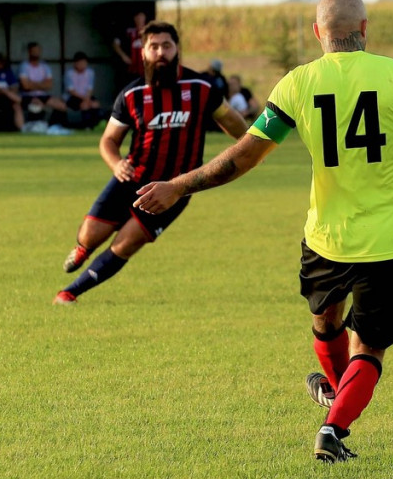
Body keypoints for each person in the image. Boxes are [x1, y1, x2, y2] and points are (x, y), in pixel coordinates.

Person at [133, 0, 393, 464]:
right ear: (365, 29)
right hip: (391, 240)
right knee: (369, 346)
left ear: (317, 33)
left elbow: (241, 157)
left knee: (326, 324)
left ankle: (336, 394)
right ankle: (334, 427)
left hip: (326, 236)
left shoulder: (297, 83)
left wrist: (179, 185)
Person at [53, 21, 248, 305]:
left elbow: (239, 127)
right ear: (143, 53)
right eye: (153, 47)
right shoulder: (131, 96)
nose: (160, 52)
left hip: (174, 189)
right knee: (90, 234)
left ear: (177, 50)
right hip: (131, 179)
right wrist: (116, 163)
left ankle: (70, 292)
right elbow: (108, 141)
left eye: (166, 46)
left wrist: (251, 149)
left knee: (127, 242)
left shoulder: (201, 88)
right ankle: (83, 248)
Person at [18, 42, 67, 126]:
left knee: (62, 106)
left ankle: (52, 126)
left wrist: (32, 83)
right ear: (29, 52)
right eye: (33, 51)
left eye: (37, 51)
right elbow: (25, 86)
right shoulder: (24, 66)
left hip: (43, 95)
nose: (36, 53)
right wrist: (41, 84)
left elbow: (49, 85)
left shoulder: (45, 66)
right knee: (35, 107)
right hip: (27, 96)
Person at [63, 51, 102, 129]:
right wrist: (85, 99)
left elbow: (90, 88)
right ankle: (86, 126)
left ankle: (95, 125)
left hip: (86, 96)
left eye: (84, 63)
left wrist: (87, 98)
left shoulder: (90, 72)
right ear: (75, 63)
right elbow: (71, 91)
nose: (82, 65)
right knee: (84, 105)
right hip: (72, 97)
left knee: (95, 104)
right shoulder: (69, 73)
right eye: (80, 63)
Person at [0, 52, 23, 131]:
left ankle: (21, 129)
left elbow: (14, 87)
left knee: (16, 105)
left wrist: (5, 91)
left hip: (5, 97)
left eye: (1, 62)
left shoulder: (7, 72)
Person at [113, 11, 148, 83]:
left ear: (145, 18)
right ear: (134, 18)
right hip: (131, 69)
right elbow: (115, 43)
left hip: (146, 69)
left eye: (141, 17)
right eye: (137, 17)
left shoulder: (150, 32)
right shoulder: (128, 32)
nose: (139, 19)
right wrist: (124, 56)